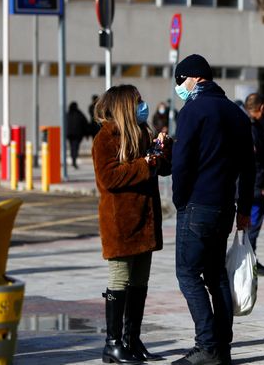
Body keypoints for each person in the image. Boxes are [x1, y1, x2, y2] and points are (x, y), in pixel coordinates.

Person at [171, 54, 255, 365]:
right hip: (225, 206)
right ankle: (222, 347)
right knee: (216, 273)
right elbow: (249, 167)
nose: (179, 87)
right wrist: (244, 206)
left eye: (181, 80)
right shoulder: (236, 113)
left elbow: (182, 162)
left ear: (193, 78)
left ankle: (205, 346)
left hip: (198, 204)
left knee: (188, 274)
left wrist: (180, 200)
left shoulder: (194, 110)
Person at [92, 85, 171, 364]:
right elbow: (109, 178)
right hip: (121, 224)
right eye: (138, 102)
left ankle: (131, 339)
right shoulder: (106, 137)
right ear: (125, 106)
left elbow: (163, 168)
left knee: (140, 281)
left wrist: (162, 148)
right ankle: (112, 344)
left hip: (145, 222)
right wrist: (145, 163)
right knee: (120, 280)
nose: (143, 106)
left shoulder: (142, 132)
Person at [244, 93, 264, 276]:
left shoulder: (245, 124)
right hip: (255, 188)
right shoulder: (252, 129)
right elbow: (256, 162)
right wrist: (260, 185)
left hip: (250, 186)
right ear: (261, 108)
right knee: (252, 228)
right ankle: (249, 263)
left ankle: (250, 260)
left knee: (249, 228)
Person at [67, 102, 89, 169]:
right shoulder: (79, 114)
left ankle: (73, 160)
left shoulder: (68, 114)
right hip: (77, 135)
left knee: (72, 147)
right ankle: (74, 160)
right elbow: (85, 124)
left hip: (70, 135)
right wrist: (86, 134)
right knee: (75, 148)